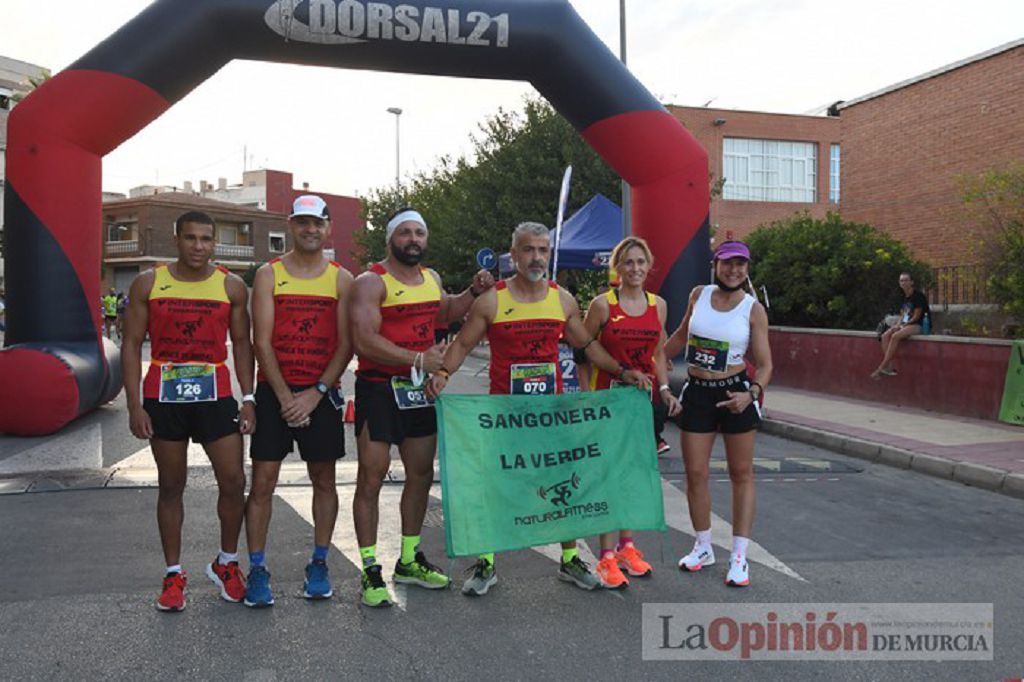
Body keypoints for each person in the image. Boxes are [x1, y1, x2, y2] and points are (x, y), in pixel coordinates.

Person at [427, 221, 651, 597]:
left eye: (543, 250)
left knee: (561, 485)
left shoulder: (561, 299)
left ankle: (569, 561)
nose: (536, 257)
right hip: (504, 414)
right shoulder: (492, 300)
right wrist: (444, 373)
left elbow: (587, 347)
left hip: (551, 413)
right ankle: (487, 563)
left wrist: (623, 372)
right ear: (513, 255)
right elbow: (464, 343)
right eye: (529, 250)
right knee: (496, 488)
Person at [349, 207, 495, 607]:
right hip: (379, 390)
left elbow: (445, 310)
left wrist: (473, 293)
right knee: (372, 477)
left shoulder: (430, 278)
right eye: (405, 233)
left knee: (419, 475)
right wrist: (416, 359)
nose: (413, 239)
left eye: (419, 233)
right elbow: (363, 340)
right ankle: (369, 569)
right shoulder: (370, 281)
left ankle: (409, 559)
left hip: (417, 392)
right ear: (390, 239)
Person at [122, 211, 256, 612]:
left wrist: (248, 398)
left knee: (233, 481)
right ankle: (173, 574)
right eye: (192, 238)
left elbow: (243, 343)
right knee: (171, 485)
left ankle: (227, 563)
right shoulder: (149, 282)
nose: (199, 246)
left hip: (214, 395)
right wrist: (134, 405)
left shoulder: (231, 286)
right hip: (164, 397)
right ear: (176, 238)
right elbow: (130, 344)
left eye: (206, 239)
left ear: (214, 243)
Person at [243, 196, 354, 607]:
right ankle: (257, 569)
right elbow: (262, 342)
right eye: (302, 222)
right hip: (277, 392)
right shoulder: (269, 275)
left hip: (320, 393)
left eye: (317, 223)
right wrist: (288, 397)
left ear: (327, 228)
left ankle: (319, 563)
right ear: (291, 225)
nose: (310, 230)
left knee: (324, 480)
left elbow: (346, 344)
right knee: (263, 484)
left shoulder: (342, 279)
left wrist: (316, 394)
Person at [663, 240, 772, 588]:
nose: (734, 270)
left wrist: (751, 393)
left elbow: (766, 365)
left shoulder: (753, 309)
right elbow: (681, 335)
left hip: (735, 393)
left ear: (747, 269)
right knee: (695, 473)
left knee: (742, 474)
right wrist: (655, 359)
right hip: (697, 392)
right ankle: (703, 546)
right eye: (728, 263)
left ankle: (739, 556)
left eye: (741, 265)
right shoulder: (699, 294)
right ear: (716, 265)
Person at [581, 237, 681, 589]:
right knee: (610, 477)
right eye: (629, 262)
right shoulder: (602, 305)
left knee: (633, 476)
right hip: (607, 402)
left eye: (641, 262)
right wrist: (586, 399)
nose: (635, 269)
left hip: (642, 403)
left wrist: (665, 389)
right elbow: (584, 350)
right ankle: (606, 557)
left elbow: (658, 354)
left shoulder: (659, 305)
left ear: (648, 265)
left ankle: (626, 546)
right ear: (618, 267)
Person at [872, 272, 930, 379]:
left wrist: (903, 326)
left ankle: (881, 367)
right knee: (885, 336)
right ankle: (889, 367)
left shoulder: (918, 296)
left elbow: (916, 316)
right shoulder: (905, 297)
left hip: (919, 325)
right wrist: (898, 325)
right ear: (899, 283)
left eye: (906, 280)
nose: (903, 282)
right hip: (907, 324)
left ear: (911, 282)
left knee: (895, 336)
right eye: (901, 280)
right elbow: (904, 315)